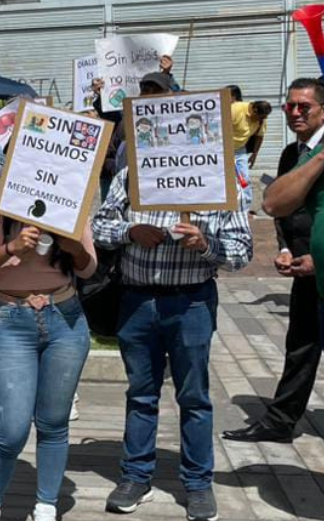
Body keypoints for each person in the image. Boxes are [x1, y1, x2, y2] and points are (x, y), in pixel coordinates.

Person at [93, 161, 252, 520]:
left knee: (194, 397)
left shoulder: (223, 178)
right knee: (140, 393)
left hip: (192, 302)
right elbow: (98, 227)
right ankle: (136, 477)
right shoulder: (132, 174)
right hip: (137, 301)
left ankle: (198, 483)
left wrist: (206, 244)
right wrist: (131, 231)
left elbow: (242, 251)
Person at [0, 177, 98, 521]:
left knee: (54, 423)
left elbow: (89, 267)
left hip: (66, 320)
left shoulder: (70, 199)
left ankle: (46, 505)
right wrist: (11, 248)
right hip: (14, 320)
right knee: (11, 430)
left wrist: (74, 248)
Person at [224, 79, 324, 444]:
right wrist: (284, 249)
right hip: (304, 270)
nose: (295, 113)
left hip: (320, 263)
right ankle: (280, 421)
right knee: (301, 346)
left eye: (304, 106)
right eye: (289, 106)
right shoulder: (290, 154)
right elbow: (281, 209)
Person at [231, 98, 272, 211]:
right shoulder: (235, 109)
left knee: (244, 179)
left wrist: (255, 154)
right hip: (223, 150)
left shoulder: (262, 119)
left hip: (240, 150)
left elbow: (259, 136)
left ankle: (245, 208)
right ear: (254, 110)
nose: (263, 120)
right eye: (261, 117)